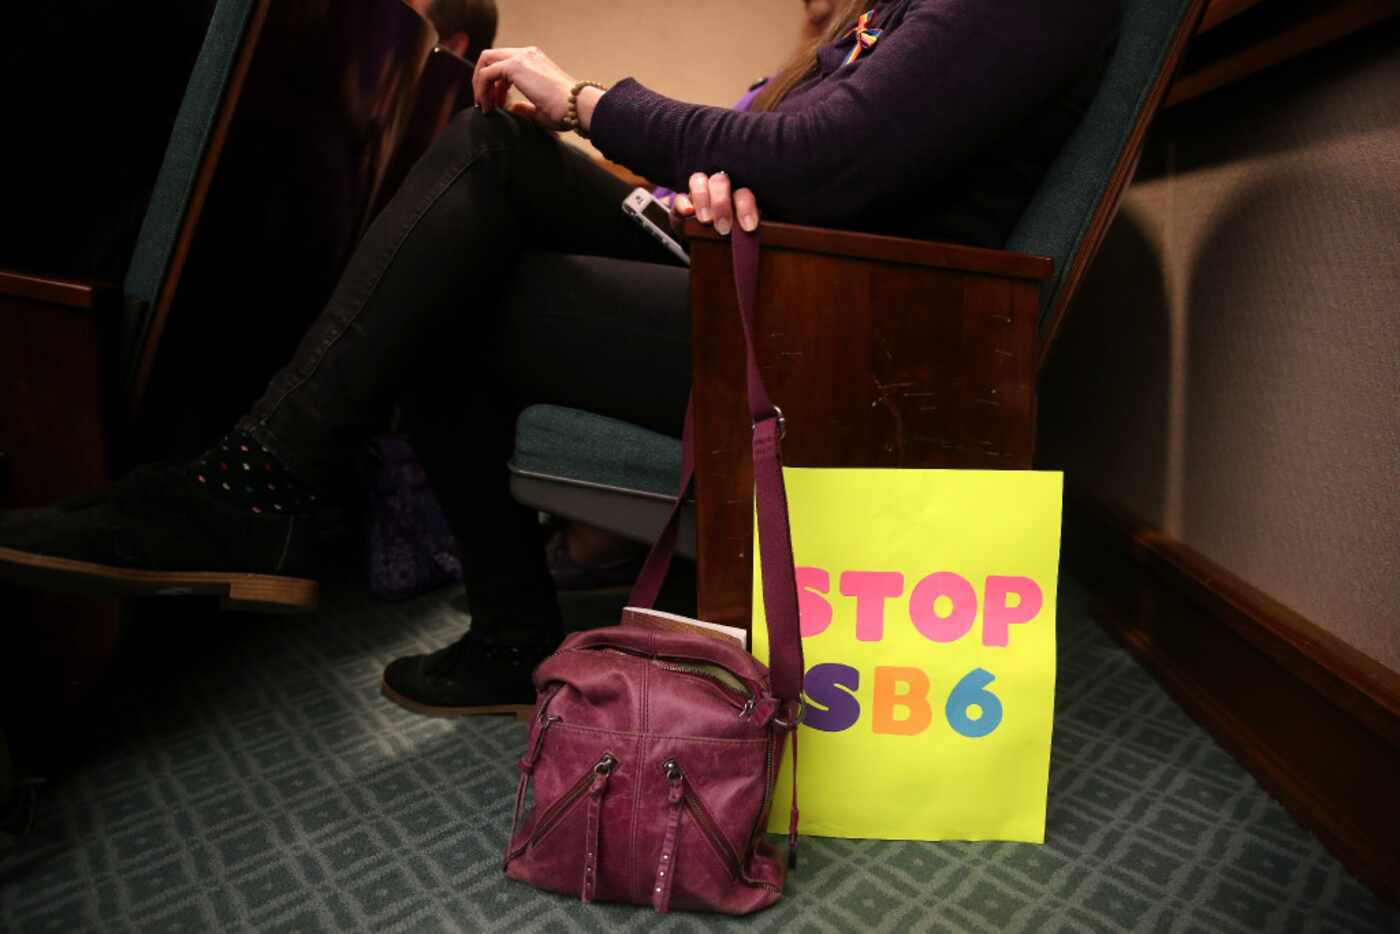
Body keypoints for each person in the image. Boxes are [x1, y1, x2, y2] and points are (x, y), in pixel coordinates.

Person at [0, 0, 1119, 718]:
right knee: (488, 170)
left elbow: (825, 164)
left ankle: (284, 510)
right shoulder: (902, 14)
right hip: (780, 284)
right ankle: (277, 501)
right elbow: (811, 167)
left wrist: (588, 99)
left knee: (458, 271)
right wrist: (685, 186)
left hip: (850, 336)